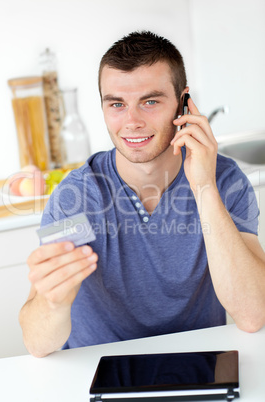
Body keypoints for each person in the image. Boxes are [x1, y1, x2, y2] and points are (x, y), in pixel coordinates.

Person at [19, 31, 265, 358]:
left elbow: (252, 315)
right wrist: (53, 302)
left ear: (183, 102)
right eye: (117, 104)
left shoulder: (226, 180)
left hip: (199, 366)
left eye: (150, 101)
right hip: (102, 372)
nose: (132, 121)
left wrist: (204, 186)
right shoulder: (74, 197)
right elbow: (37, 344)